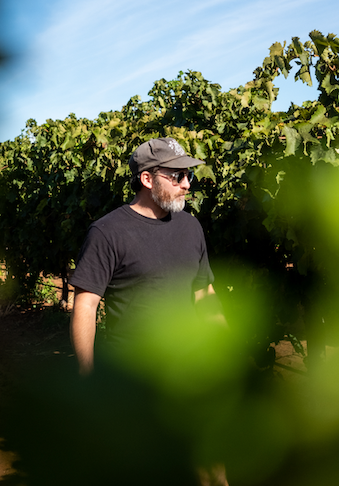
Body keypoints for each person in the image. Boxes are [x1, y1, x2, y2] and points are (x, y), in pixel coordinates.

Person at [69, 136, 225, 375]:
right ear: (147, 179)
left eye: (188, 175)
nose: (186, 185)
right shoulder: (107, 232)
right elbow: (86, 305)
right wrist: (86, 371)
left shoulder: (191, 227)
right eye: (177, 176)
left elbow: (203, 292)